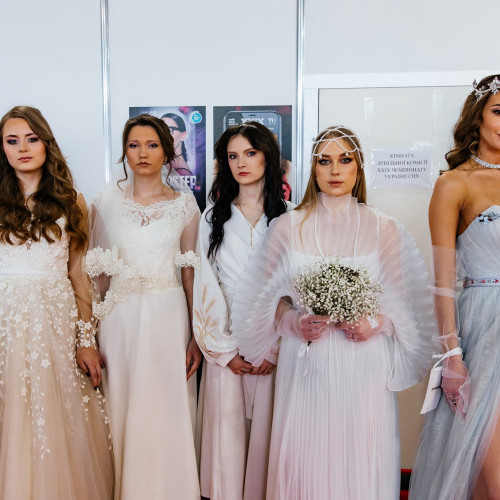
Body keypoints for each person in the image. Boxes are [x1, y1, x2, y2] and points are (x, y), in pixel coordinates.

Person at [230, 125, 435, 499]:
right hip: (307, 363)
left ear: (358, 167)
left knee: (360, 456)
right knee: (302, 460)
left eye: (345, 160)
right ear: (313, 168)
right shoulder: (287, 227)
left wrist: (374, 323)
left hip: (364, 365)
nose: (335, 170)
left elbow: (405, 308)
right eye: (324, 161)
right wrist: (293, 322)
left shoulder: (385, 228)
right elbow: (263, 299)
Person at [0, 105, 113, 499]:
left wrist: (86, 339)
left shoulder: (72, 201)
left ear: (46, 143)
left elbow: (80, 276)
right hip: (5, 321)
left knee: (53, 415)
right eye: (12, 141)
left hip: (55, 323)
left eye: (31, 139)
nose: (23, 148)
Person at [87, 114, 202, 499]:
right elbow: (97, 276)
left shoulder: (184, 205)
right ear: (124, 151)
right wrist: (89, 333)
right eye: (134, 145)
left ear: (167, 151)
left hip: (169, 317)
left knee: (168, 407)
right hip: (119, 318)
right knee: (122, 405)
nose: (142, 153)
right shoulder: (104, 203)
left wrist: (196, 336)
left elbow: (190, 273)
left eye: (152, 145)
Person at [410, 74, 500, 499]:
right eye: (498, 111)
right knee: (486, 475)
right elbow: (443, 283)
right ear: (477, 117)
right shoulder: (454, 183)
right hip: (484, 328)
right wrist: (451, 357)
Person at [193, 121, 291, 500]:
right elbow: (205, 285)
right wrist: (224, 350)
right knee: (228, 444)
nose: (241, 163)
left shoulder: (291, 217)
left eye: (250, 153)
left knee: (271, 444)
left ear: (268, 157)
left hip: (275, 352)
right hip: (227, 351)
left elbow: (295, 291)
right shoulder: (212, 218)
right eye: (233, 156)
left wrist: (274, 348)